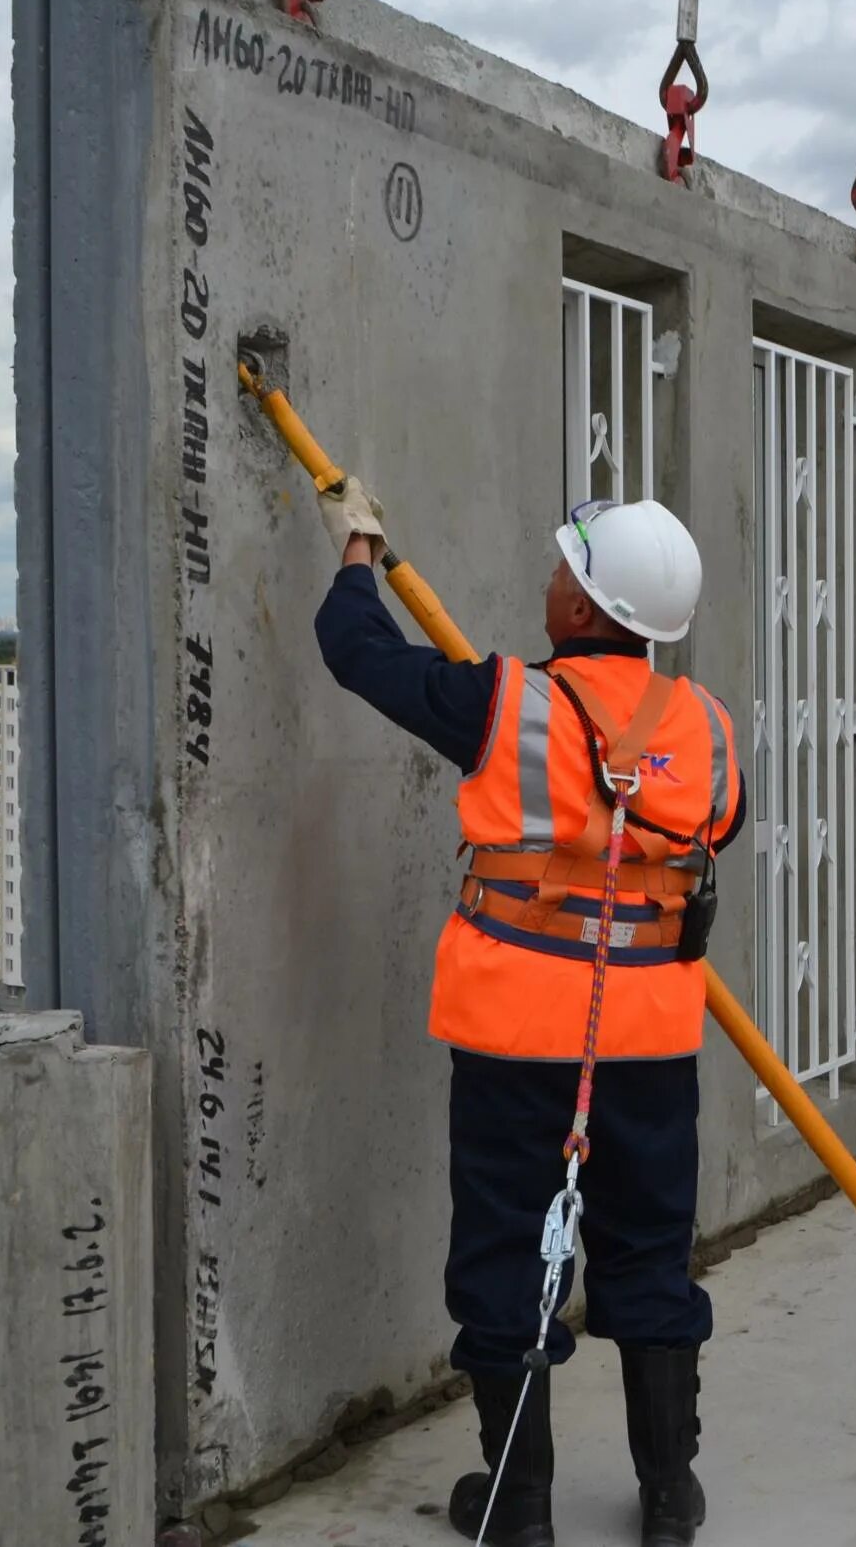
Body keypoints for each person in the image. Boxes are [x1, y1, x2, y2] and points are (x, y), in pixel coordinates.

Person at [316, 483, 742, 1547]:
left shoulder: (503, 703)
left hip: (516, 1035)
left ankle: (518, 1503)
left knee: (507, 1252)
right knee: (645, 1249)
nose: (549, 581)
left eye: (564, 570)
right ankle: (668, 1498)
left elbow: (358, 654)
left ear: (589, 608)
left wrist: (358, 553)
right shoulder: (709, 728)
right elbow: (708, 834)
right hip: (646, 1038)